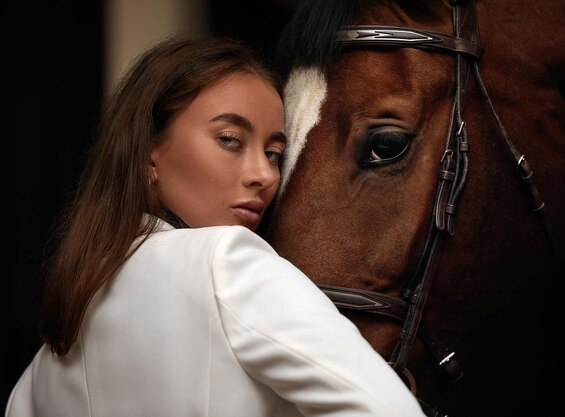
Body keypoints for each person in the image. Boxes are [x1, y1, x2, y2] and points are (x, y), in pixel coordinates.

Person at [5, 34, 425, 417]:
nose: (264, 174)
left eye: (275, 152)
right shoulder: (228, 265)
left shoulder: (43, 367)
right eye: (229, 139)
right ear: (148, 149)